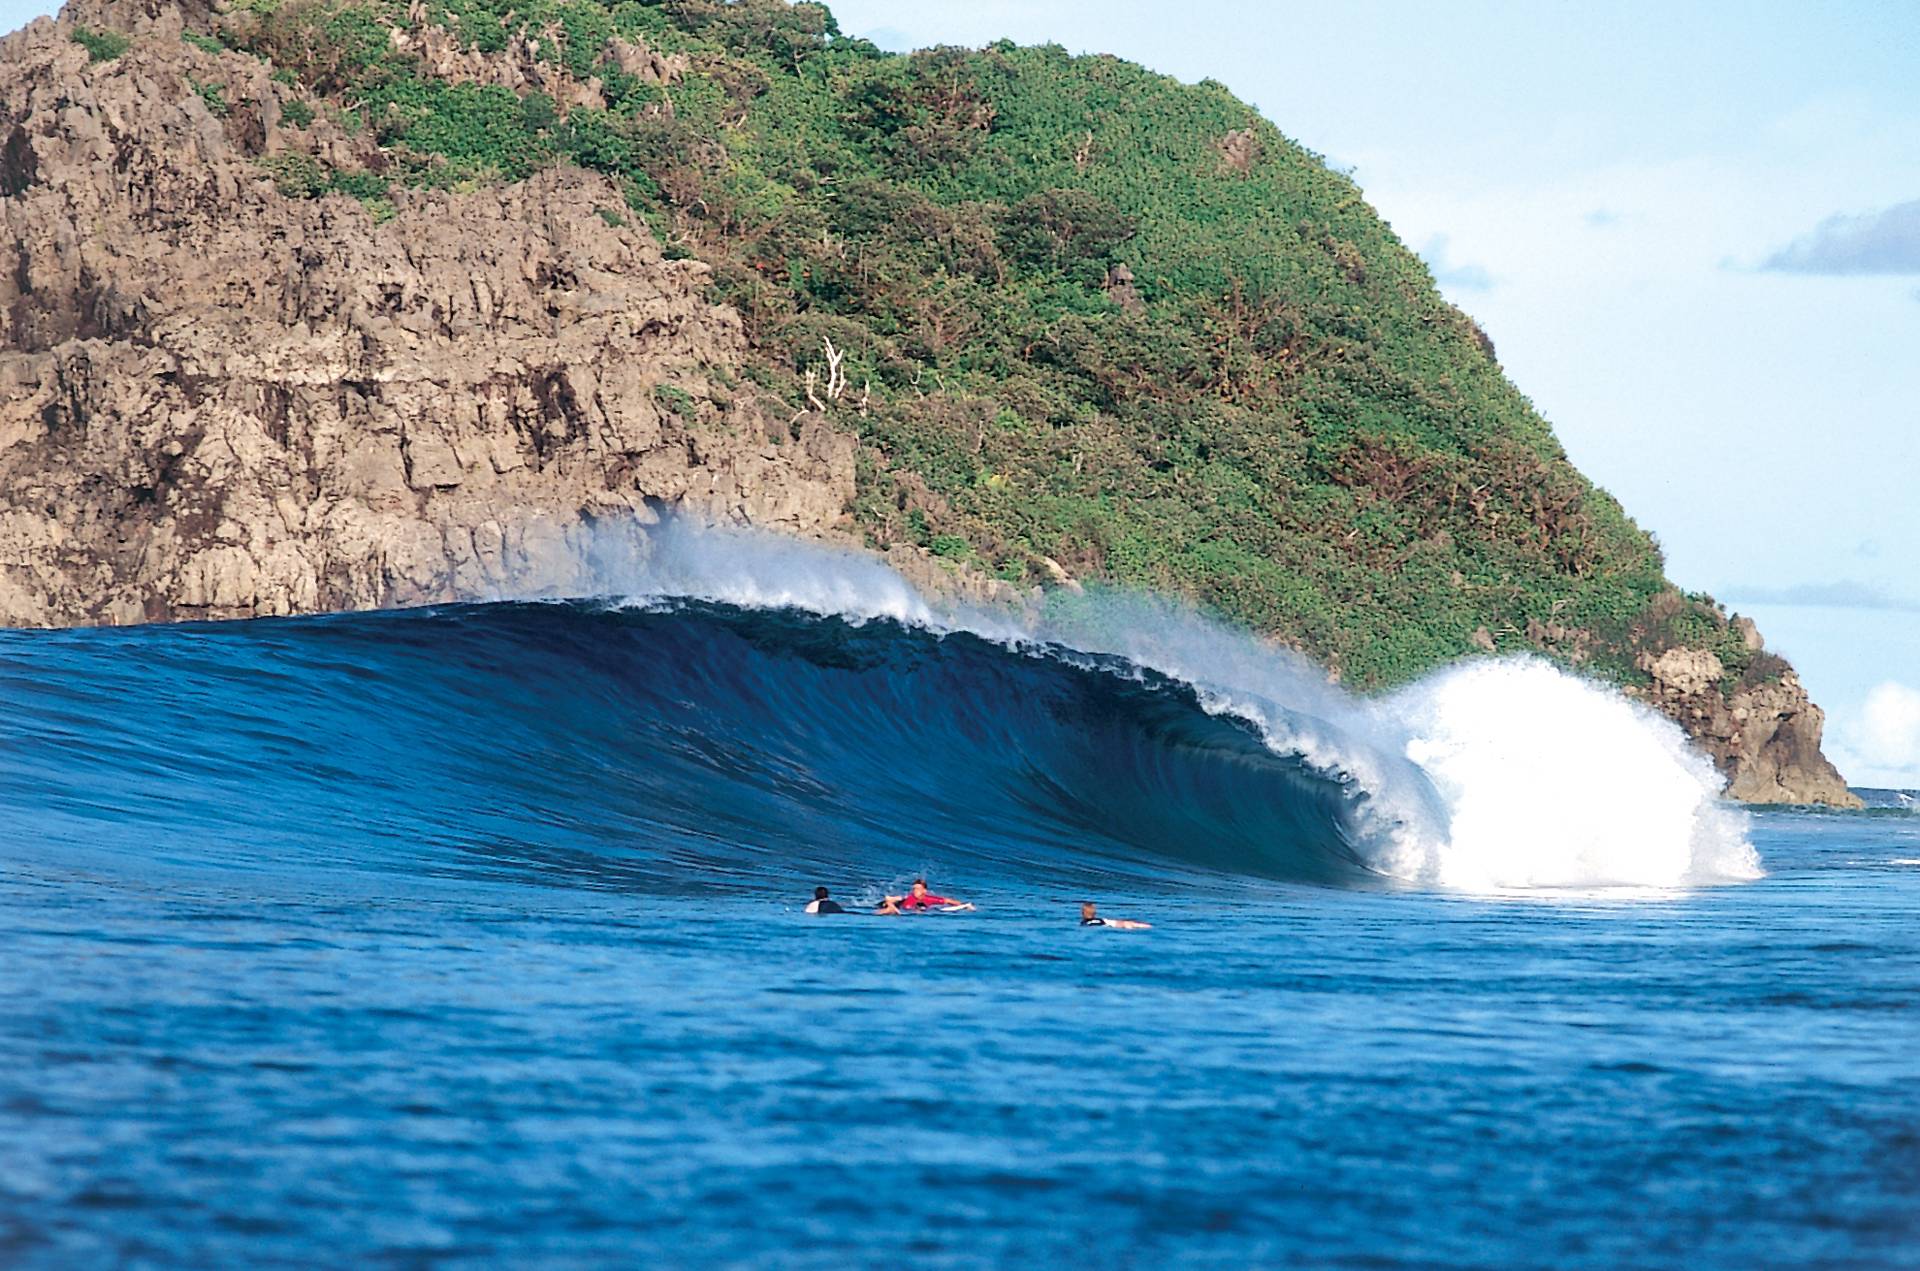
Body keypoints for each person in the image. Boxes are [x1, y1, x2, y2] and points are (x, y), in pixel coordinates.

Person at [880, 878, 975, 914]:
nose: (915, 891)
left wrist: (964, 906)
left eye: (917, 889)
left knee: (921, 908)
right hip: (901, 909)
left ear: (924, 890)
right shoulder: (908, 897)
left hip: (913, 911)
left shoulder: (928, 899)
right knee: (889, 904)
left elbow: (948, 900)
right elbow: (899, 898)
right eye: (914, 888)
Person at [1080, 901, 1149, 930]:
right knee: (1127, 924)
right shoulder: (1102, 920)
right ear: (1095, 913)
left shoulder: (1084, 924)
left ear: (1082, 913)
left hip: (1103, 928)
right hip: (1107, 925)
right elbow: (1120, 923)